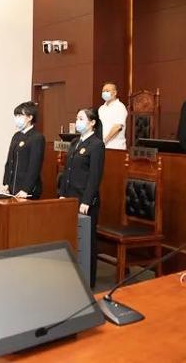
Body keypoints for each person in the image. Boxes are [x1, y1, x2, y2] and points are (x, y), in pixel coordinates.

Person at [58, 107, 105, 289]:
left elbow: (95, 176)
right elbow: (67, 171)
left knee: (87, 240)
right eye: (77, 118)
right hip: (69, 197)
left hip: (85, 200)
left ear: (92, 122)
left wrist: (86, 200)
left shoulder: (97, 145)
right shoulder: (75, 142)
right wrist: (62, 194)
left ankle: (88, 281)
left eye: (81, 119)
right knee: (70, 237)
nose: (77, 122)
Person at [2, 101, 45, 199]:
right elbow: (9, 162)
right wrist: (6, 183)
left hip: (27, 191)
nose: (17, 118)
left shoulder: (37, 137)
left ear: (30, 117)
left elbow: (34, 166)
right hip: (12, 188)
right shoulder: (16, 136)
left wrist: (26, 189)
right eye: (16, 116)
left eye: (20, 115)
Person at [98, 81, 128, 150]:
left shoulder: (120, 107)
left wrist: (104, 141)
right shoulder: (101, 108)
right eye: (103, 91)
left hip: (115, 147)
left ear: (115, 93)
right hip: (102, 146)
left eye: (107, 91)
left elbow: (118, 127)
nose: (104, 93)